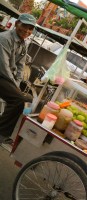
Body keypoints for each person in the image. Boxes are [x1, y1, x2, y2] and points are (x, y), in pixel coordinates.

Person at [0, 13, 36, 144]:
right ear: (16, 24)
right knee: (18, 99)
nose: (27, 31)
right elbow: (3, 67)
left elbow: (20, 66)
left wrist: (18, 83)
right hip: (1, 74)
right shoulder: (5, 38)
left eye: (30, 29)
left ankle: (11, 133)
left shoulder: (23, 43)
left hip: (5, 77)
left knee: (29, 99)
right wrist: (15, 87)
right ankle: (1, 133)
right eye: (24, 26)